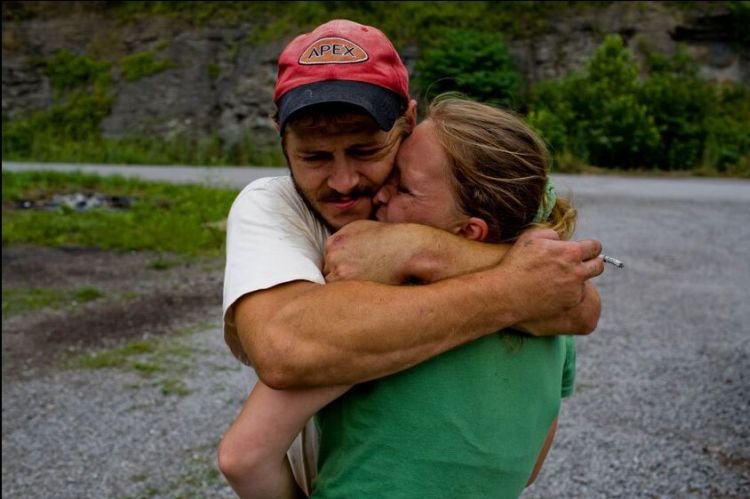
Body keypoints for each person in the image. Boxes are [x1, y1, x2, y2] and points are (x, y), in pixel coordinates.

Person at [219, 18, 603, 497]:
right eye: (314, 158)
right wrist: (513, 286)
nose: (343, 182)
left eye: (366, 150)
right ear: (280, 135)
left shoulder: (473, 182)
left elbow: (579, 299)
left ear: (409, 122)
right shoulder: (271, 206)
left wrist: (421, 250)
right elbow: (285, 350)